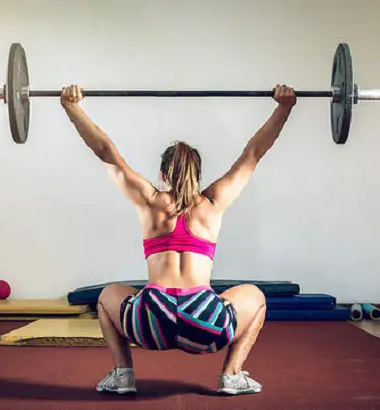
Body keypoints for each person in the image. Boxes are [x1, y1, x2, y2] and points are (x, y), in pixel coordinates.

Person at [61, 84, 296, 395]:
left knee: (107, 297)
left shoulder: (149, 201)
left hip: (149, 321)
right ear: (197, 175)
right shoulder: (213, 204)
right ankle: (231, 376)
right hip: (205, 322)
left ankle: (123, 376)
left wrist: (72, 108)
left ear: (162, 173)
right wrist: (284, 108)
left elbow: (105, 151)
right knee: (257, 298)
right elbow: (253, 153)